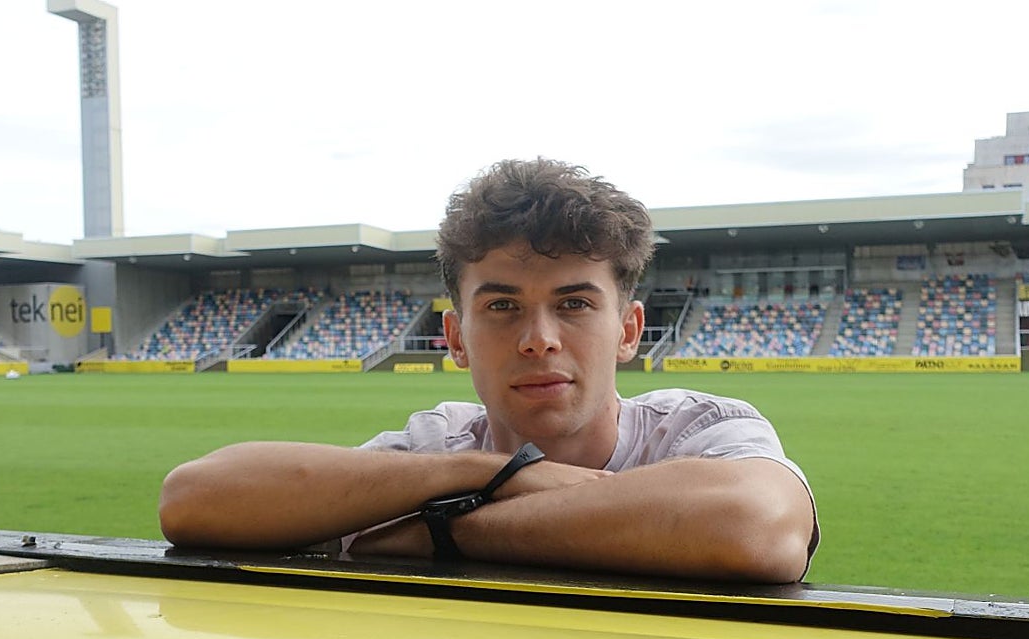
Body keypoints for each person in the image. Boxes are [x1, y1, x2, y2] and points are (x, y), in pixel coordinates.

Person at [159, 159, 819, 582]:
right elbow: (193, 501)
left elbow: (754, 527)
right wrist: (482, 473)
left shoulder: (696, 429)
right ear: (456, 338)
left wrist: (441, 528)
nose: (539, 340)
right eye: (502, 305)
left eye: (574, 305)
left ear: (627, 330)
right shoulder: (438, 448)